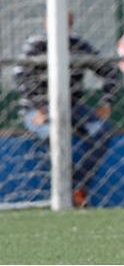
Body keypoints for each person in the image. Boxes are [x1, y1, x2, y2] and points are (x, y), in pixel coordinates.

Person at [12, 12, 118, 207]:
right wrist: (38, 107)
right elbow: (20, 76)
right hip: (38, 108)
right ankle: (68, 190)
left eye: (64, 24)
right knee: (52, 135)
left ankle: (77, 187)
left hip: (73, 107)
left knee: (101, 132)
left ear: (70, 26)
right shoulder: (35, 46)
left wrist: (106, 103)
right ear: (45, 25)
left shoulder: (79, 46)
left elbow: (110, 71)